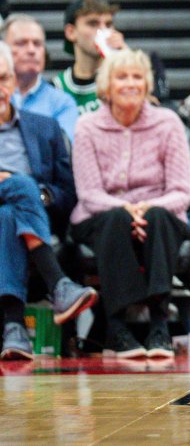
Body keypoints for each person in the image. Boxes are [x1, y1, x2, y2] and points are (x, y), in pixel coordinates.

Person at [70, 50, 190, 358]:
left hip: (158, 212)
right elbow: (89, 193)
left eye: (137, 77)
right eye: (121, 77)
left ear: (148, 84)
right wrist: (127, 211)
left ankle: (159, 326)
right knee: (115, 220)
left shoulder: (168, 123)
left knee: (160, 217)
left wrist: (145, 209)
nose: (130, 83)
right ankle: (117, 327)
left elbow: (181, 190)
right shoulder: (87, 126)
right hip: (100, 214)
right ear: (106, 86)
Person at [0, 42, 96, 361]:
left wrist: (37, 194)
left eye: (2, 78)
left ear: (13, 81)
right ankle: (59, 286)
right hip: (28, 208)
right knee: (19, 186)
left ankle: (14, 327)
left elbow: (67, 191)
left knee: (9, 214)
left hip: (32, 213)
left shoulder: (44, 127)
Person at [2, 15, 78, 141]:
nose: (31, 50)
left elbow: (63, 151)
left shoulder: (62, 103)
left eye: (37, 44)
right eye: (21, 43)